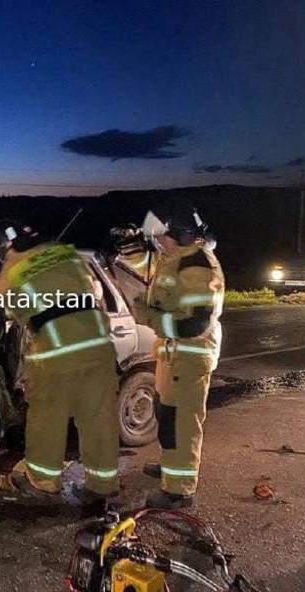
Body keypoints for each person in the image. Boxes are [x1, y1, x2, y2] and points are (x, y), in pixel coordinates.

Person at [0, 219, 120, 503]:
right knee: (98, 421)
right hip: (99, 348)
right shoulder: (66, 253)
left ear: (5, 246)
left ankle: (43, 481)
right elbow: (95, 292)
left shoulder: (11, 270)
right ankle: (102, 485)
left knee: (47, 420)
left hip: (56, 355)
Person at [130, 208, 225, 509]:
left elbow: (196, 323)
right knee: (166, 416)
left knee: (181, 424)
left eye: (162, 236)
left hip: (189, 357)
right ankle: (172, 468)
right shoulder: (178, 258)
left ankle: (179, 490)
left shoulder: (198, 266)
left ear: (180, 236)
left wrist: (151, 318)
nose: (158, 241)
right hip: (172, 356)